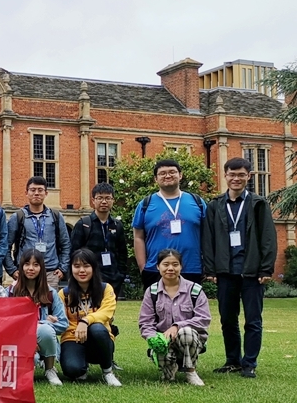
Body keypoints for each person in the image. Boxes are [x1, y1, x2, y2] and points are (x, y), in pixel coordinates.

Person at [203, 157, 277, 378]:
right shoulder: (215, 205)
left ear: (248, 176)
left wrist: (266, 268)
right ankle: (233, 360)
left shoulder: (258, 204)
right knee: (227, 319)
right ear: (225, 176)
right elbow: (208, 239)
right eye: (232, 174)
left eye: (241, 175)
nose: (236, 178)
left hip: (252, 272)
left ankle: (249, 363)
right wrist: (210, 269)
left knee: (253, 320)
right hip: (225, 272)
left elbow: (268, 237)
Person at [138, 249, 211, 386]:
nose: (170, 268)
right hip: (164, 341)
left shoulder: (195, 290)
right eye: (166, 264)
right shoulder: (152, 291)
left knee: (186, 332)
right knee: (168, 378)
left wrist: (177, 326)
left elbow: (204, 318)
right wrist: (153, 338)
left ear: (181, 266)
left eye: (175, 264)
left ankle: (190, 371)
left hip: (190, 339)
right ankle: (170, 368)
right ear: (158, 267)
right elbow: (145, 321)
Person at [132, 159, 206, 288]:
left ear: (180, 175)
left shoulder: (197, 202)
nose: (167, 176)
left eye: (172, 172)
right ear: (156, 179)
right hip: (156, 269)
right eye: (162, 173)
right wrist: (143, 267)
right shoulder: (145, 204)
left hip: (191, 268)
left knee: (190, 302)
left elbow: (208, 235)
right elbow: (138, 237)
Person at [58, 249, 121, 386]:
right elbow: (61, 319)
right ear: (71, 268)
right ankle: (81, 366)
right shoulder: (64, 294)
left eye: (86, 266)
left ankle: (107, 371)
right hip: (73, 338)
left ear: (94, 268)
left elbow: (106, 313)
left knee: (97, 328)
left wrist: (85, 321)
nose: (82, 270)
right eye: (77, 266)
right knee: (72, 370)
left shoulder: (106, 289)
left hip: (98, 337)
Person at [8, 249, 68, 386]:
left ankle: (50, 369)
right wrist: (30, 334)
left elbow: (63, 324)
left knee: (45, 330)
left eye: (36, 265)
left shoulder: (50, 293)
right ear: (21, 267)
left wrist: (41, 325)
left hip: (45, 339)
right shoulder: (11, 292)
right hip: (20, 340)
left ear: (41, 268)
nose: (31, 268)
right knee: (33, 359)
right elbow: (6, 324)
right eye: (27, 264)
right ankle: (34, 361)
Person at [4, 176, 71, 290]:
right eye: (33, 190)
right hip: (26, 273)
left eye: (40, 190)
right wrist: (12, 270)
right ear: (26, 193)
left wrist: (62, 269)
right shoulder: (18, 217)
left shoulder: (55, 216)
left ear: (46, 193)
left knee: (49, 301)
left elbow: (66, 244)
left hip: (50, 273)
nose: (36, 193)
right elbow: (6, 246)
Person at [70, 182, 128, 298]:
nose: (104, 202)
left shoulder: (117, 225)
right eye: (100, 198)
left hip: (113, 277)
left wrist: (120, 275)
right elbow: (73, 253)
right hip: (90, 277)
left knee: (109, 308)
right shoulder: (84, 224)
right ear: (93, 200)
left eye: (108, 198)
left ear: (113, 200)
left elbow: (122, 253)